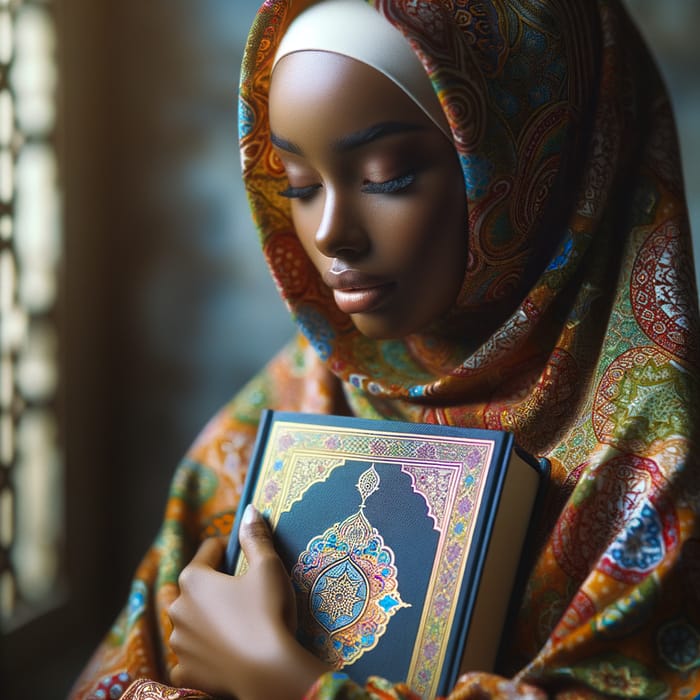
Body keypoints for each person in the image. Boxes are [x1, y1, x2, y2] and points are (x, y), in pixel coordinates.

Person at [70, 0, 700, 698]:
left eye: (387, 176)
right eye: (300, 185)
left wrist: (288, 683)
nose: (332, 234)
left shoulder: (658, 464)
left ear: (532, 161)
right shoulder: (286, 405)